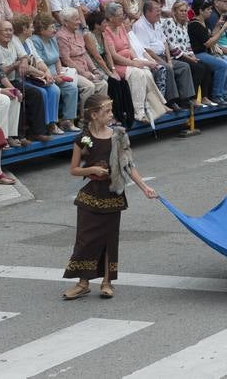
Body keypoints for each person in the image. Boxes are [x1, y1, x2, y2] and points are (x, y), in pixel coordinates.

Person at [62, 93, 160, 301]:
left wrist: (144, 187)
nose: (110, 115)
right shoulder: (84, 139)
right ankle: (83, 283)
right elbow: (74, 170)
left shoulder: (118, 136)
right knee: (85, 240)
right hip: (90, 196)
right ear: (94, 115)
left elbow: (128, 165)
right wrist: (93, 170)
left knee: (109, 240)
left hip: (112, 195)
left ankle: (107, 282)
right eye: (106, 112)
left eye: (110, 111)